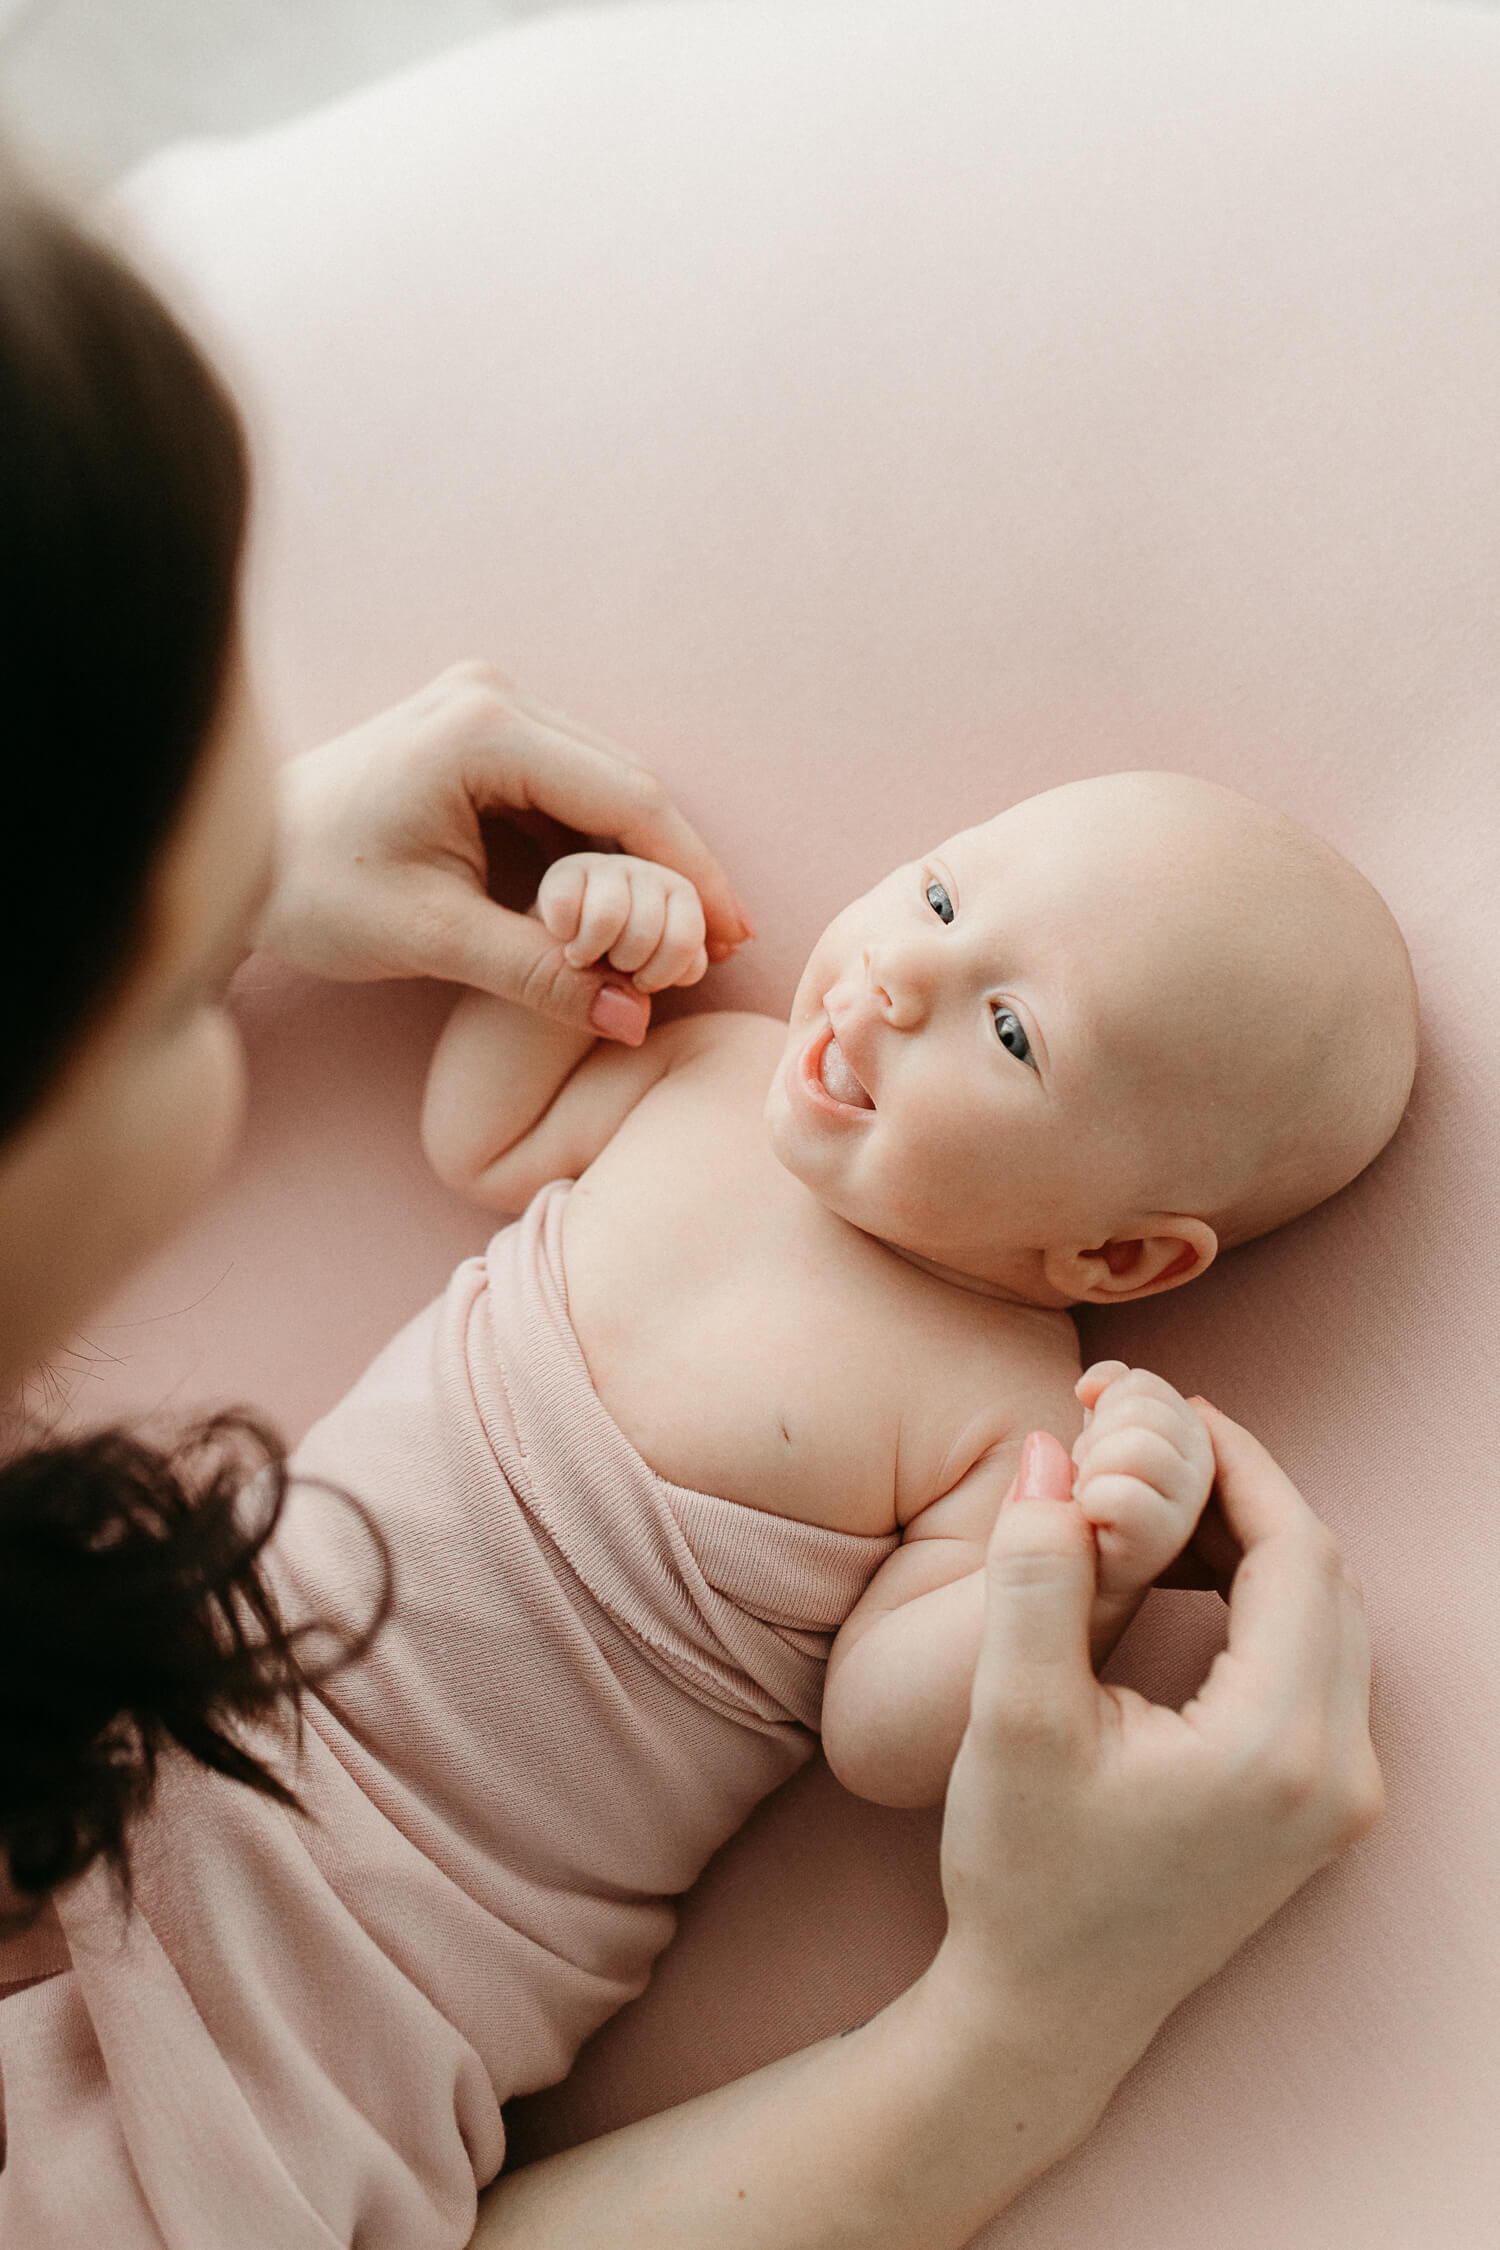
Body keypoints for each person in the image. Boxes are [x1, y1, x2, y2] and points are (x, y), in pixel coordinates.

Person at [0, 178, 1382, 2250]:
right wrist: (562, 956)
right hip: (186, 1732)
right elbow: (499, 1137)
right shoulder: (725, 1083)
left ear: (1119, 1259)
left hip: (398, 1932)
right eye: (928, 896)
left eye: (1005, 1030)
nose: (895, 976)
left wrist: (1068, 1571)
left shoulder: (1005, 1406)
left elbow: (890, 1727)